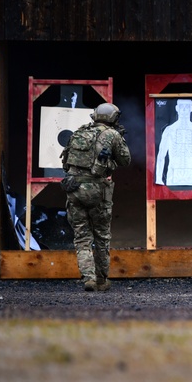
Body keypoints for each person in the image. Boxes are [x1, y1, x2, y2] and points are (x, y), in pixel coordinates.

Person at [60, 102, 131, 292]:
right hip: (97, 190)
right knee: (101, 236)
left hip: (74, 188)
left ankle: (88, 278)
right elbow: (125, 160)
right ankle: (101, 280)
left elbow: (66, 164)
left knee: (82, 238)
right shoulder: (112, 135)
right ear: (113, 118)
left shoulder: (79, 133)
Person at [155, 98, 192, 187]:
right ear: (177, 108)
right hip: (173, 177)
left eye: (187, 106)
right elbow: (161, 155)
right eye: (182, 107)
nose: (184, 110)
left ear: (191, 108)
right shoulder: (169, 131)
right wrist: (158, 178)